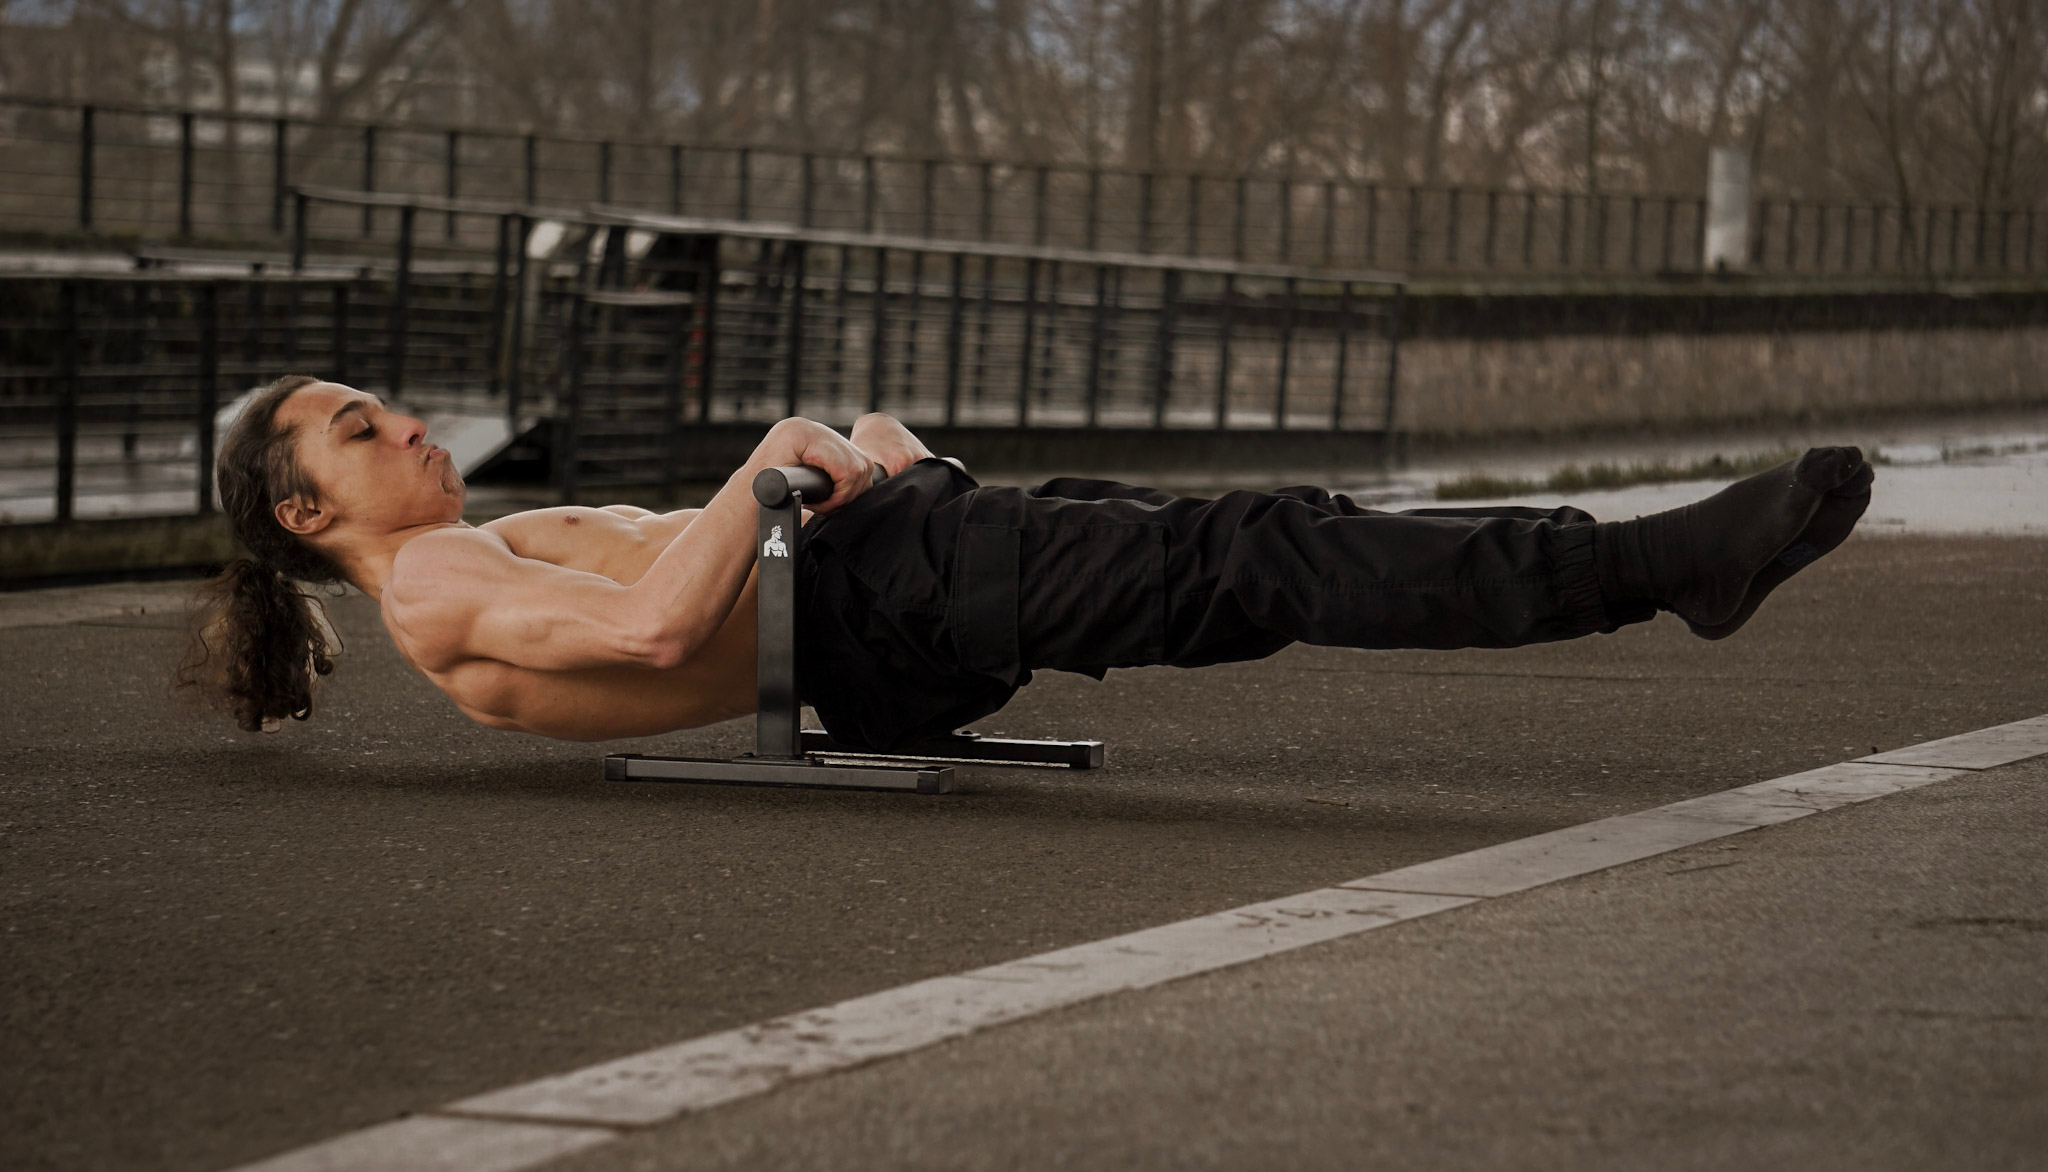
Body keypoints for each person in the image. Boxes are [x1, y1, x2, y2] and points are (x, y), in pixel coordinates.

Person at [182, 375, 1874, 750]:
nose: (399, 422)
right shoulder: (437, 591)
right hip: (888, 616)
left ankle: (1640, 561)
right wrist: (773, 464)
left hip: (894, 593)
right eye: (353, 428)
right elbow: (641, 635)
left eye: (384, 402)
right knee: (1265, 555)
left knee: (1258, 548)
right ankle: (1662, 563)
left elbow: (693, 572)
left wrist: (850, 462)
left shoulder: (470, 541)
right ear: (304, 514)